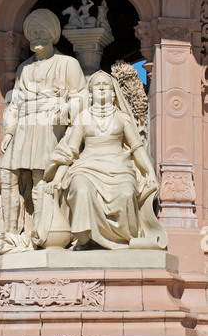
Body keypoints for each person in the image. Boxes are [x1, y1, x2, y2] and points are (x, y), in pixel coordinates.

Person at [42, 70, 167, 250]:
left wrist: (149, 172)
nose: (101, 88)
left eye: (105, 85)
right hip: (86, 167)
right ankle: (85, 239)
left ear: (113, 92)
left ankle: (123, 239)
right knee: (81, 189)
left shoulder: (122, 118)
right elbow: (71, 152)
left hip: (119, 168)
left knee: (126, 193)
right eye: (97, 85)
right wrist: (57, 178)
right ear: (90, 92)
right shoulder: (83, 117)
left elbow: (137, 148)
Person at [0, 9, 86, 234]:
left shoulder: (67, 64)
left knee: (41, 176)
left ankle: (42, 229)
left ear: (52, 35)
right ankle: (9, 234)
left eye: (42, 32)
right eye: (33, 32)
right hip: (24, 127)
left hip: (50, 125)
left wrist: (64, 112)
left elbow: (82, 96)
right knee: (7, 173)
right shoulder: (23, 68)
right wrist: (9, 131)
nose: (37, 36)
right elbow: (14, 102)